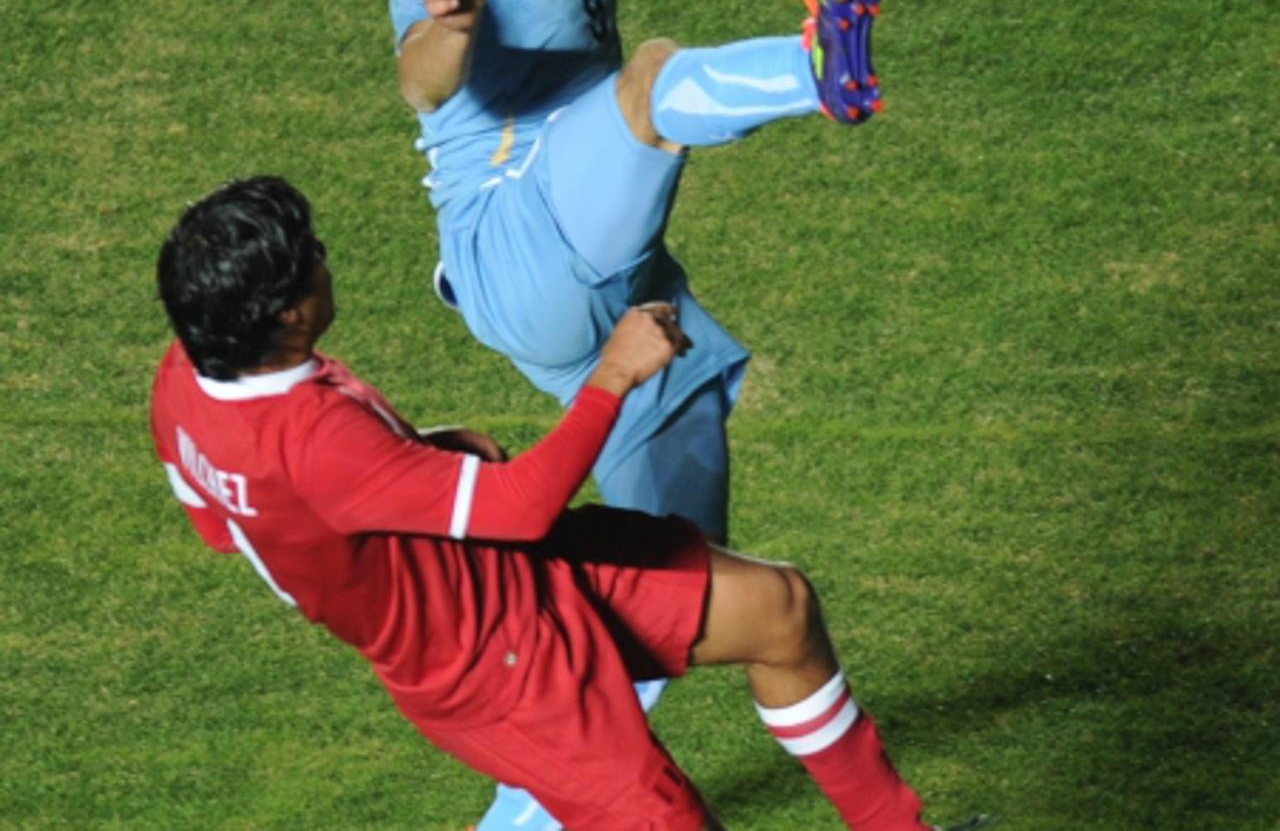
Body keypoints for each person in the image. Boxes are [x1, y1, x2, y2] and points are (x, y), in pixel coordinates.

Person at [150, 177, 985, 831]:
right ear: (288, 312)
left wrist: (414, 466)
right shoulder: (315, 440)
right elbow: (516, 504)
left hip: (507, 571)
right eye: (315, 256)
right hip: (499, 671)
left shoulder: (186, 382)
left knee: (780, 610)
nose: (328, 257)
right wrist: (614, 372)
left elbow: (226, 525)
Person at [385, 0, 887, 823]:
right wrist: (452, 22)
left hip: (621, 277)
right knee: (651, 84)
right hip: (514, 237)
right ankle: (819, 70)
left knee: (670, 594)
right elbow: (420, 81)